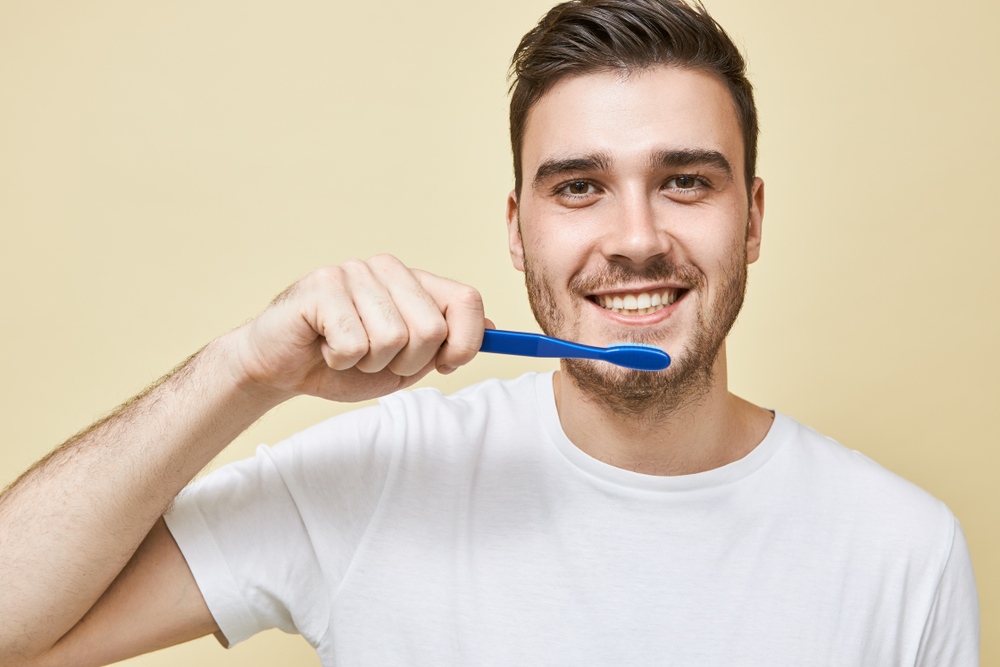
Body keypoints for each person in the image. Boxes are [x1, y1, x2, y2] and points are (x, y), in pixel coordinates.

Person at [0, 0, 980, 665]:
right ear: (518, 230)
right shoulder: (376, 476)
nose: (636, 238)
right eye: (579, 187)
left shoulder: (901, 550)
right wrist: (242, 370)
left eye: (685, 180)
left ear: (753, 217)